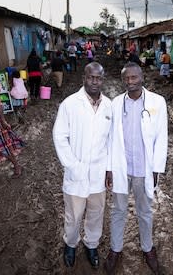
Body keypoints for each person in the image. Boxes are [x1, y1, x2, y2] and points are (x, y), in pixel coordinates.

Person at [105, 62, 168, 275]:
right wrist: (109, 168)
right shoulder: (115, 104)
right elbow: (110, 138)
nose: (130, 82)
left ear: (142, 78)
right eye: (126, 78)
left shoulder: (157, 102)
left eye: (134, 77)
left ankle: (148, 248)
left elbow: (162, 138)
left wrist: (157, 168)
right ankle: (115, 249)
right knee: (118, 211)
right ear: (123, 80)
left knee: (145, 211)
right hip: (121, 167)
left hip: (144, 169)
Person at [53, 62, 113, 269]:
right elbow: (60, 137)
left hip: (98, 173)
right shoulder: (70, 104)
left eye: (99, 78)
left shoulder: (109, 106)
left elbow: (112, 141)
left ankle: (91, 244)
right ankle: (70, 244)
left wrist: (109, 168)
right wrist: (73, 165)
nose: (95, 81)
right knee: (74, 215)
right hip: (76, 172)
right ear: (84, 79)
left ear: (102, 80)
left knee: (96, 213)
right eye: (91, 77)